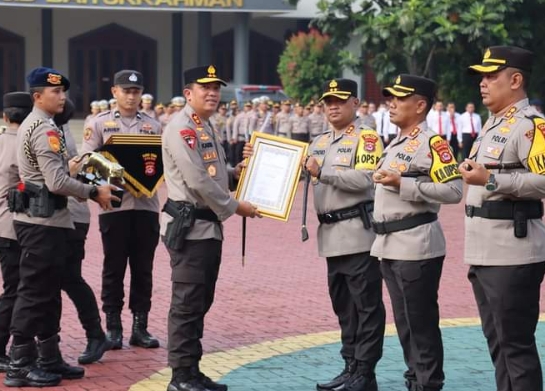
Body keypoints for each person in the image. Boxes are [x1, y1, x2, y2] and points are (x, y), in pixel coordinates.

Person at [5, 67, 116, 387]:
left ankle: (49, 357)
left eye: (63, 91)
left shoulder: (42, 125)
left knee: (48, 291)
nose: (63, 96)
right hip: (42, 223)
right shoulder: (43, 128)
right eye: (55, 92)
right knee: (33, 292)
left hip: (48, 221)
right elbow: (55, 181)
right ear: (37, 96)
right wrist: (95, 192)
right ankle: (20, 364)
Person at [161, 64, 260, 391]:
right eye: (206, 87)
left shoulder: (204, 126)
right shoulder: (182, 127)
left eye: (216, 87)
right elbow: (196, 179)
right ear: (189, 93)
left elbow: (213, 172)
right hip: (190, 229)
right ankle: (180, 377)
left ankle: (192, 369)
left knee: (200, 301)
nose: (213, 93)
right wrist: (235, 205)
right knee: (187, 303)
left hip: (207, 228)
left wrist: (235, 172)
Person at [459, 45, 545, 391]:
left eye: (491, 75)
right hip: (484, 249)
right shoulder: (493, 125)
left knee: (516, 347)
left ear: (516, 80)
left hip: (513, 251)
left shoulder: (532, 126)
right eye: (481, 75)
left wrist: (491, 180)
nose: (483, 82)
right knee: (498, 346)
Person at [371, 74, 463, 391]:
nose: (391, 103)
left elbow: (453, 191)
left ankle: (428, 383)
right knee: (405, 324)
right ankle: (415, 379)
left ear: (420, 105)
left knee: (420, 324)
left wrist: (403, 183)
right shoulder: (396, 142)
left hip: (416, 245)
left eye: (399, 98)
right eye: (389, 98)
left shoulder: (433, 144)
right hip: (389, 245)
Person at [305, 79, 385, 391]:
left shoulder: (366, 139)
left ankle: (365, 372)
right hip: (330, 237)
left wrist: (321, 171)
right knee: (344, 308)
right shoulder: (320, 141)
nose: (333, 106)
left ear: (356, 103)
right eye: (328, 101)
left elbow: (365, 180)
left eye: (340, 100)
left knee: (366, 307)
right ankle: (350, 367)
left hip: (357, 234)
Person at [82, 70, 162, 351]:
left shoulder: (155, 125)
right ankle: (113, 327)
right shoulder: (99, 124)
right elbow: (85, 163)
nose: (131, 96)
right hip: (114, 206)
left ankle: (140, 327)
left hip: (146, 206)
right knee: (113, 267)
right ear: (115, 92)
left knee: (144, 268)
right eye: (125, 91)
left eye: (136, 91)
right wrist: (98, 192)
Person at [54, 99, 112, 365]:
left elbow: (71, 173)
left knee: (67, 278)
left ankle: (93, 333)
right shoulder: (52, 129)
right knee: (60, 280)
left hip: (71, 217)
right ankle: (53, 343)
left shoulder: (57, 132)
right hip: (62, 216)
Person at [0, 92, 33, 373]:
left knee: (13, 288)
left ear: (5, 116)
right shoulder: (25, 143)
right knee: (16, 291)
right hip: (15, 225)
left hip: (2, 224)